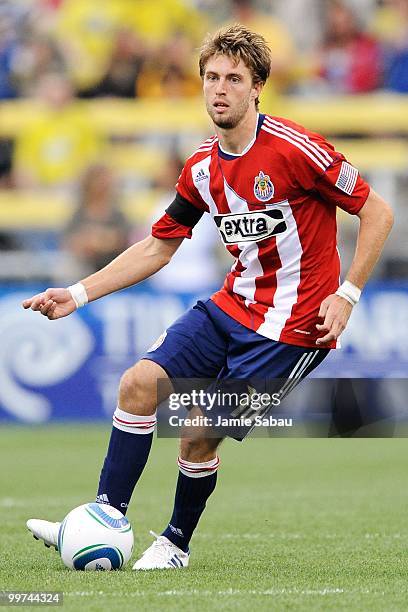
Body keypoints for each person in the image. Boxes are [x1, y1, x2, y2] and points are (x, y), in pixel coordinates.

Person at [22, 25, 393, 570]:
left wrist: (349, 294)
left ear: (257, 87)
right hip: (232, 304)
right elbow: (157, 246)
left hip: (293, 329)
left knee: (197, 431)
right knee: (137, 384)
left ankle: (173, 544)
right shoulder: (201, 166)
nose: (220, 88)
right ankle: (102, 518)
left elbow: (377, 211)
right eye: (212, 77)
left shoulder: (294, 149)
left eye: (234, 79)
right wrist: (77, 294)